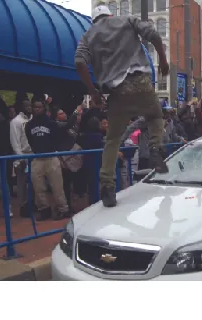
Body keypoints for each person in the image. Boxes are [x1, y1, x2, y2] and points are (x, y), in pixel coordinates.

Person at [74, 4, 171, 207]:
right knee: (155, 116)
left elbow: (79, 63)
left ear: (94, 20)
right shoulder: (127, 20)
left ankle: (107, 187)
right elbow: (153, 35)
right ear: (110, 15)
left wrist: (93, 91)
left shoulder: (88, 36)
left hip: (116, 92)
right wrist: (162, 60)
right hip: (141, 82)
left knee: (112, 140)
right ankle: (155, 147)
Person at [24, 99, 70, 220]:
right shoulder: (29, 125)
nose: (37, 109)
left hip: (51, 157)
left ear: (44, 108)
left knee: (57, 186)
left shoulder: (51, 123)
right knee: (38, 187)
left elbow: (57, 138)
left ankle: (63, 209)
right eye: (35, 107)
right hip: (37, 158)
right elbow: (30, 139)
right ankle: (44, 209)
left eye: (39, 107)